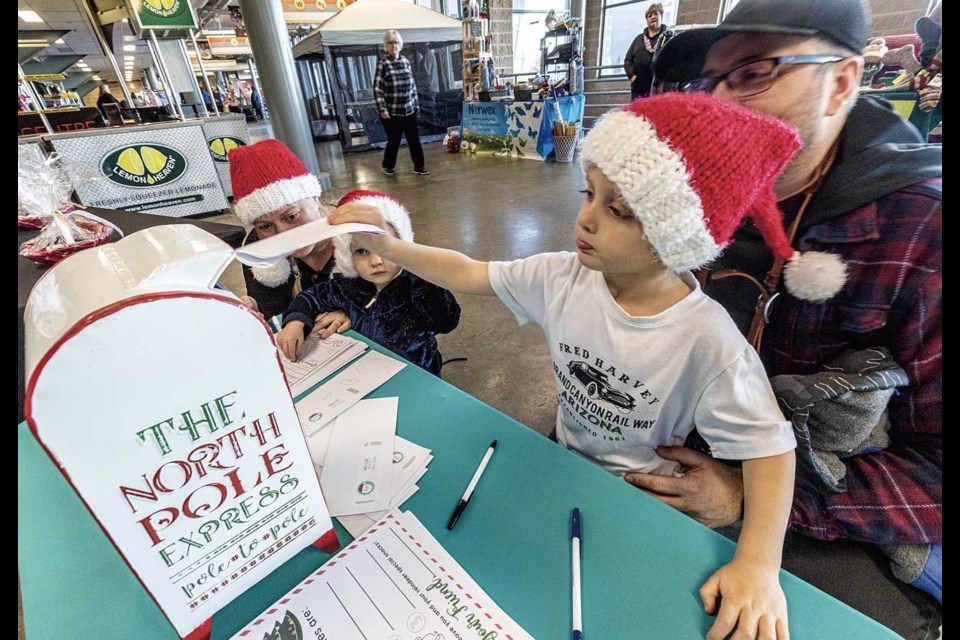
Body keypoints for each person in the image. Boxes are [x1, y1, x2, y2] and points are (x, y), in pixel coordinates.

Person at [331, 92, 831, 639]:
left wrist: (759, 564)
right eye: (588, 193)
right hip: (562, 461)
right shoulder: (562, 278)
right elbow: (471, 272)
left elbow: (770, 448)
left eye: (616, 210)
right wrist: (391, 247)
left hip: (642, 495)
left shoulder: (706, 340)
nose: (585, 219)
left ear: (674, 239)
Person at [648, 0, 942, 635]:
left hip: (836, 511)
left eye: (755, 73)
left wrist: (753, 497)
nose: (721, 105)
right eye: (714, 80)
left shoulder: (921, 233)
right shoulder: (692, 202)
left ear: (840, 81)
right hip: (685, 459)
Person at [277, 189, 461, 376]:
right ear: (348, 256)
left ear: (402, 245)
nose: (376, 261)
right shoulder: (344, 287)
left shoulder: (416, 285)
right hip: (365, 374)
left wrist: (425, 279)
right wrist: (296, 322)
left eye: (385, 248)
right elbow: (311, 297)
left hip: (418, 375)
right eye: (362, 252)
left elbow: (447, 321)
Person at [227, 139, 342, 330]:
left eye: (291, 216)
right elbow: (275, 314)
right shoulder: (257, 249)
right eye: (266, 226)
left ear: (315, 197)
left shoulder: (356, 231)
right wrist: (256, 309)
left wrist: (354, 314)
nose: (283, 234)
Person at [374, 30, 430, 176]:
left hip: (409, 109)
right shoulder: (383, 63)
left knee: (414, 140)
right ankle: (387, 165)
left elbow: (412, 85)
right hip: (392, 111)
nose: (394, 46)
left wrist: (416, 106)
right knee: (394, 141)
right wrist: (382, 109)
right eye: (391, 43)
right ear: (386, 46)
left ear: (400, 45)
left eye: (396, 42)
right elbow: (377, 88)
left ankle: (419, 166)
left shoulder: (405, 61)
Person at [623, 3, 674, 99]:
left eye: (656, 14)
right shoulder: (638, 39)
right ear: (646, 20)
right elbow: (627, 60)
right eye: (649, 16)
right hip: (639, 89)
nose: (652, 17)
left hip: (660, 89)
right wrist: (632, 76)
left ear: (661, 16)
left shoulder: (669, 37)